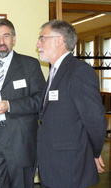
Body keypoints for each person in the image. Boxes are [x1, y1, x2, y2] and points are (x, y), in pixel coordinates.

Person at [0, 18, 45, 188]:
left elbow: (40, 99)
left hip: (20, 138)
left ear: (14, 39)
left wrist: (10, 105)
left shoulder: (29, 64)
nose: (1, 42)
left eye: (6, 36)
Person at [36, 20, 108, 188]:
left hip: (69, 167)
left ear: (59, 40)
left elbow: (96, 120)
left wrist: (94, 152)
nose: (38, 43)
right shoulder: (55, 71)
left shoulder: (79, 72)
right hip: (52, 164)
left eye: (42, 38)